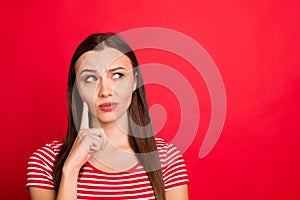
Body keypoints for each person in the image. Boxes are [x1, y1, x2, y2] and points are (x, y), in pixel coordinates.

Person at [26, 33, 189, 200]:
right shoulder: (45, 161)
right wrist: (71, 168)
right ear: (77, 89)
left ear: (135, 81)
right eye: (90, 78)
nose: (105, 91)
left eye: (117, 75)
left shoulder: (167, 158)